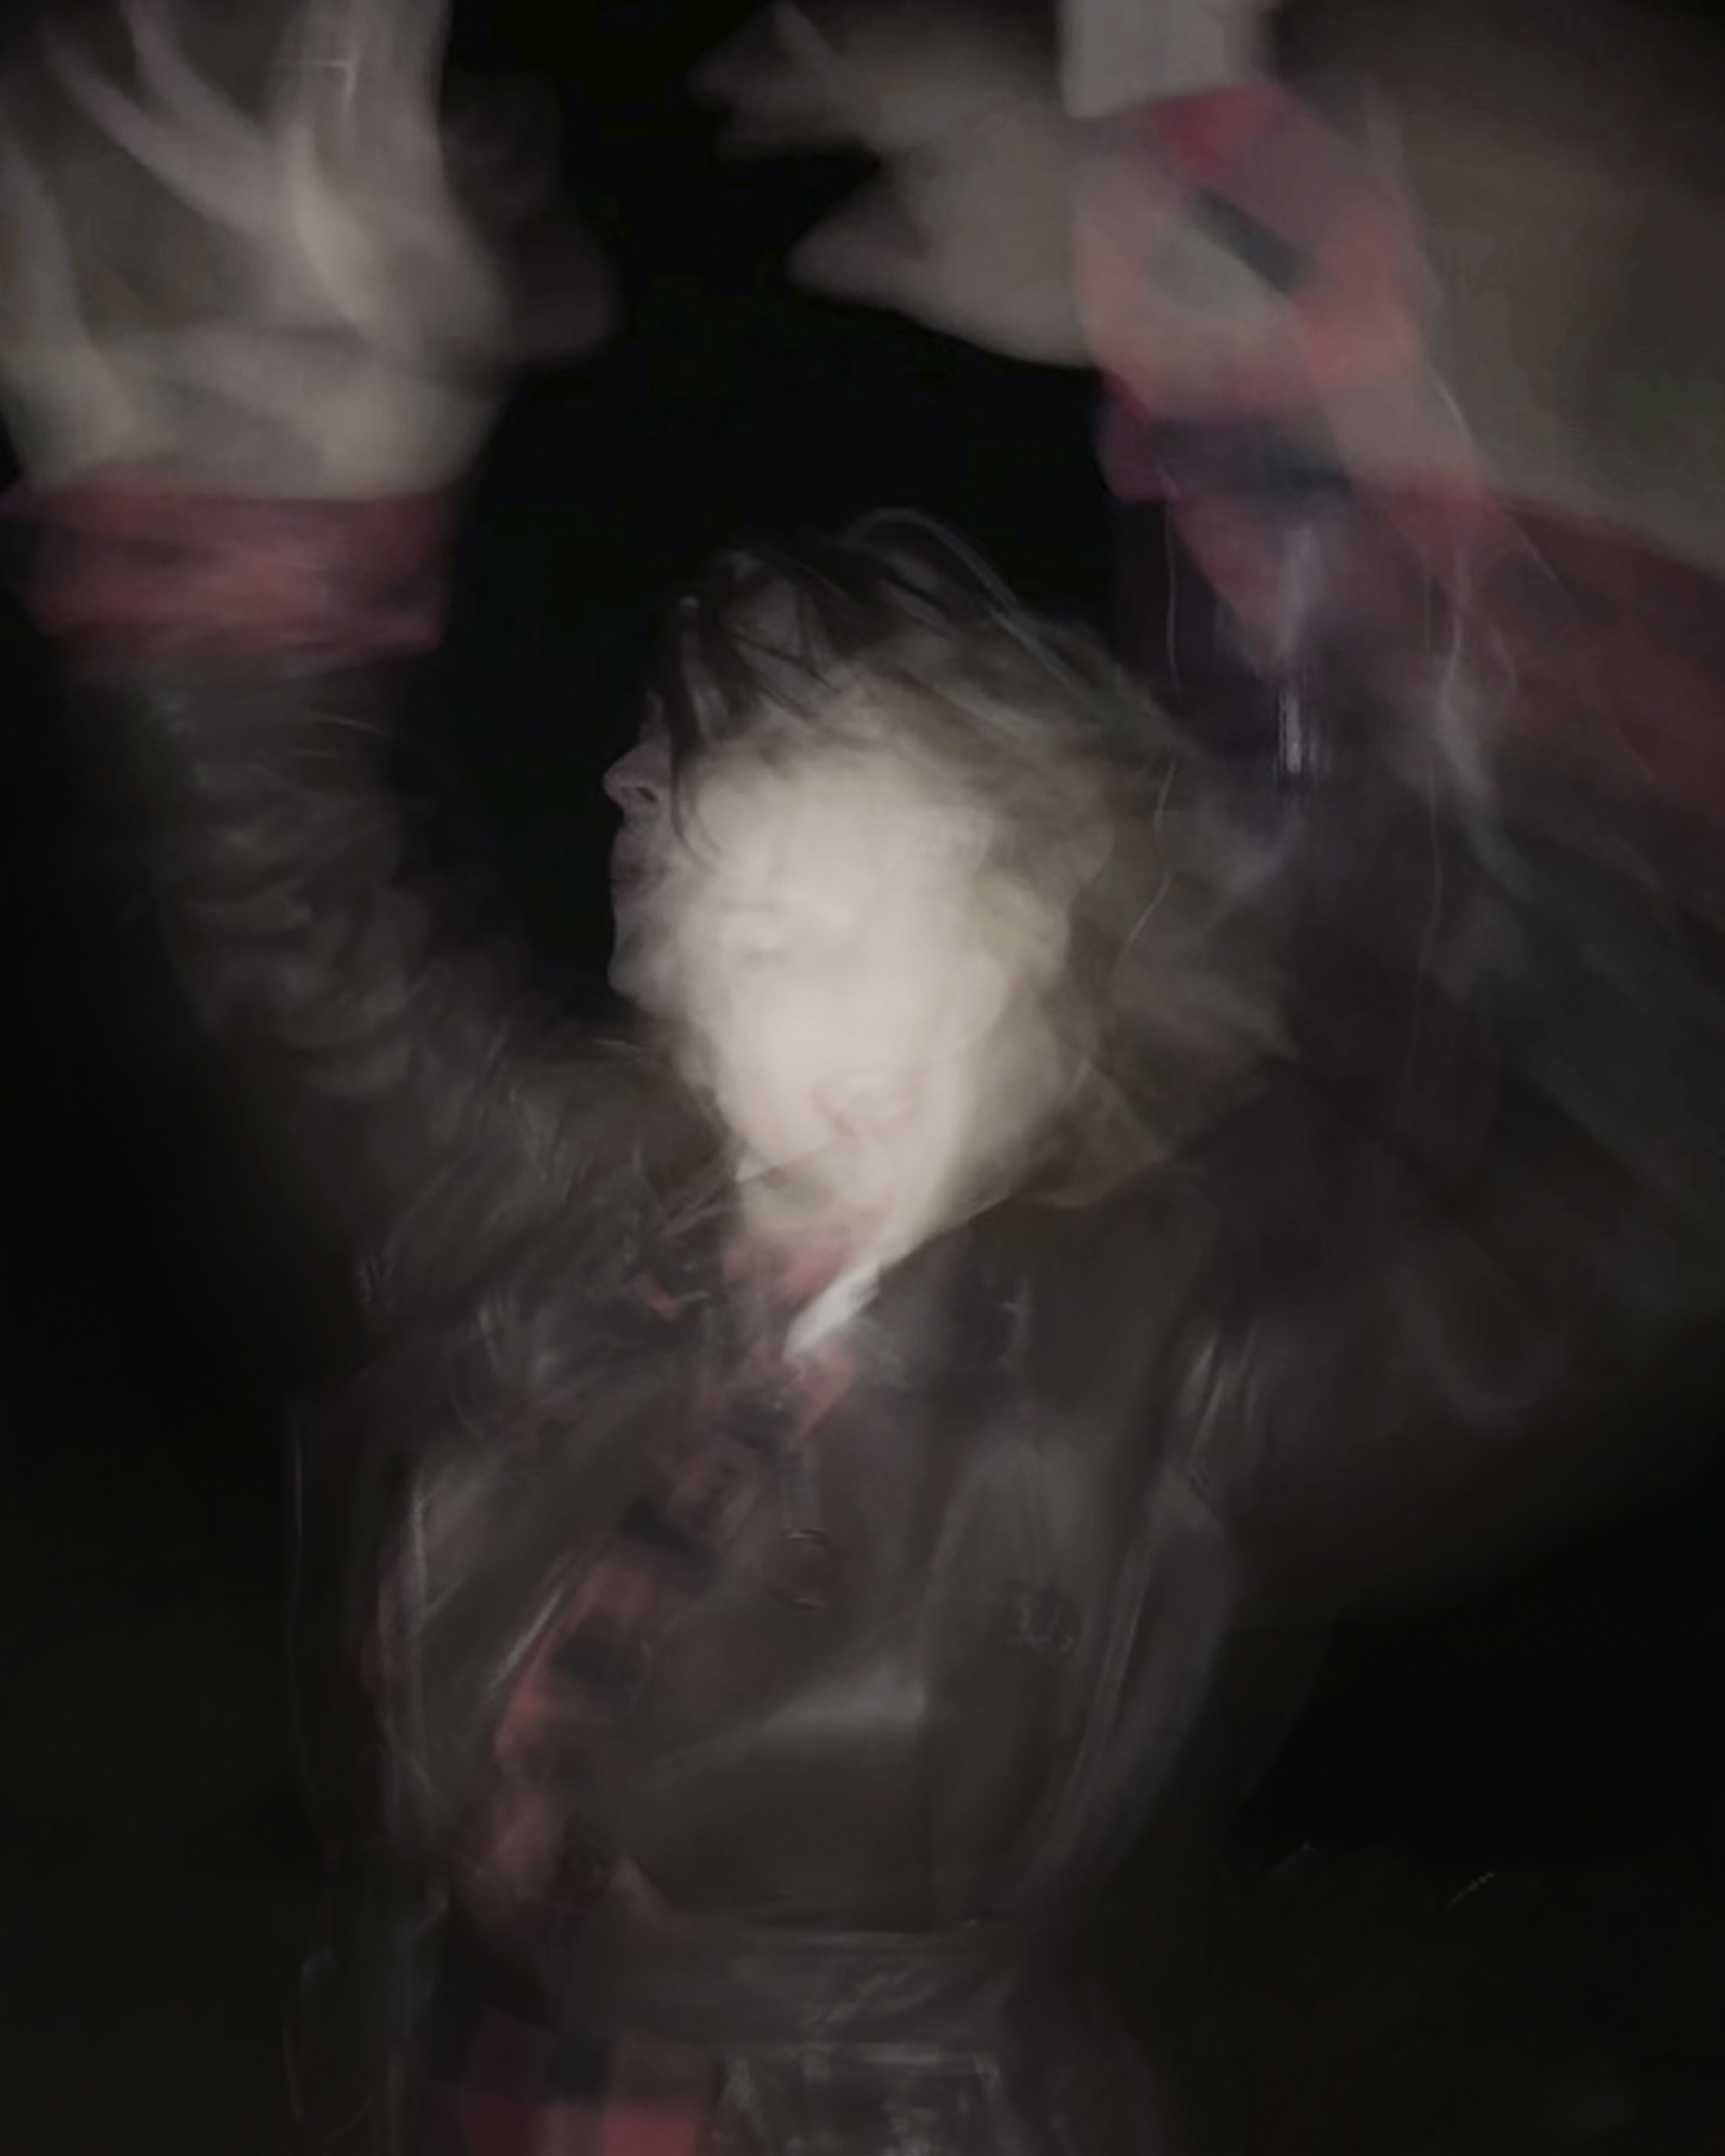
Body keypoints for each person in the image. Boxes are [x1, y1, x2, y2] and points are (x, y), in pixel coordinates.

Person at [3, 5, 1724, 2154]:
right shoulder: (557, 1213)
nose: (789, 1011)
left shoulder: (1166, 1359)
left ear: (1052, 984)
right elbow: (291, 936)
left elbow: (1635, 1196)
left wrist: (1440, 478)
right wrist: (225, 505)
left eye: (877, 933)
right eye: (734, 928)